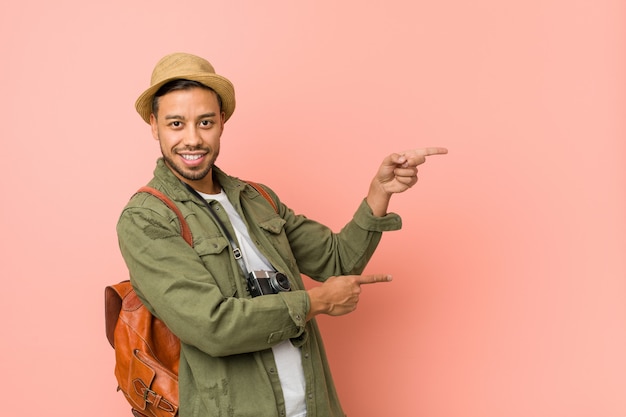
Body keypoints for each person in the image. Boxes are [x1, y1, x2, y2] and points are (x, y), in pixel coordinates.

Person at [117, 52, 447, 417]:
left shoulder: (257, 199)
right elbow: (213, 326)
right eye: (176, 124)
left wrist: (379, 193)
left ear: (222, 121)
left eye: (205, 122)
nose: (192, 139)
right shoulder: (147, 219)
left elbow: (338, 259)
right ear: (154, 125)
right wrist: (316, 302)